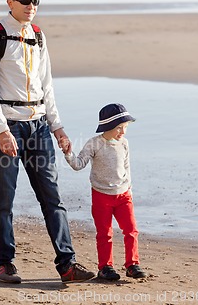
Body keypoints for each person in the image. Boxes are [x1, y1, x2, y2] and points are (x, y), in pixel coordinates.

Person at [0, 0, 95, 284]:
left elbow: (48, 86)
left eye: (36, 2)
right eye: (26, 1)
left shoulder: (39, 36)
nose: (31, 8)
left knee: (52, 198)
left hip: (39, 127)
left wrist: (57, 127)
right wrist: (1, 131)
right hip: (9, 127)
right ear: (10, 2)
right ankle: (4, 263)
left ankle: (67, 265)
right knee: (4, 199)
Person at [63, 103, 148, 280]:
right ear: (108, 126)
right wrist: (68, 153)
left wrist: (129, 189)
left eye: (125, 128)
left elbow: (127, 168)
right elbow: (78, 165)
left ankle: (132, 264)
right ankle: (105, 267)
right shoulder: (94, 144)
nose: (123, 132)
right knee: (104, 232)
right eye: (119, 128)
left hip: (123, 195)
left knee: (131, 229)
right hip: (101, 196)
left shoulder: (124, 144)